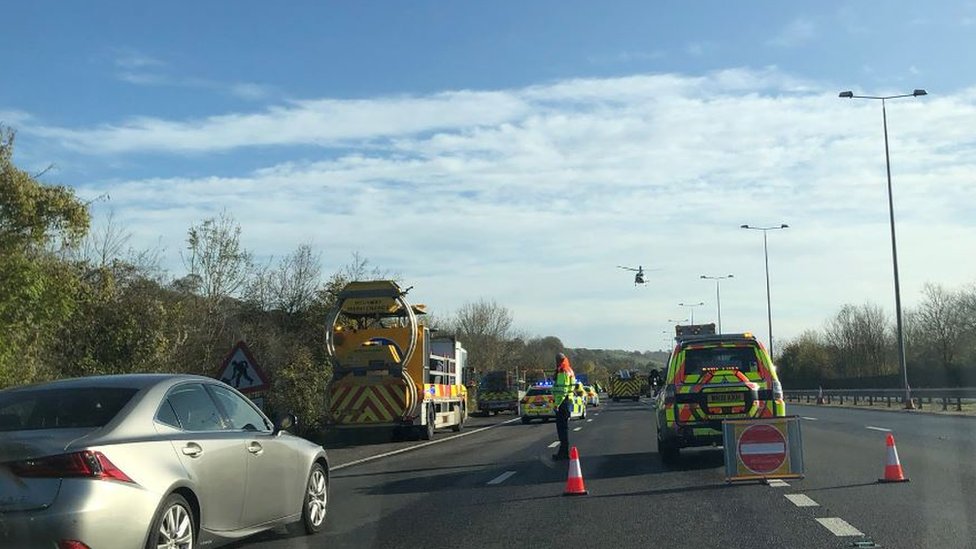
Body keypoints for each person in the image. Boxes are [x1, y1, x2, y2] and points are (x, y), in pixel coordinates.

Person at [551, 352, 576, 461]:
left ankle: (564, 453)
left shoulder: (562, 371)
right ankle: (563, 452)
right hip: (567, 402)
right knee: (564, 428)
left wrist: (557, 404)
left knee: (562, 429)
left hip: (562, 403)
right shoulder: (569, 369)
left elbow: (562, 390)